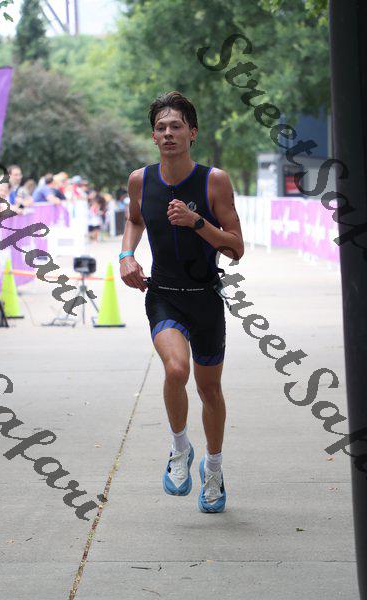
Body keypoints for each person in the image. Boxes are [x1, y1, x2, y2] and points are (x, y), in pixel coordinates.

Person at [119, 91, 244, 513]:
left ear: (193, 133)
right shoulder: (140, 180)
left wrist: (197, 222)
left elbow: (236, 248)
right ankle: (179, 448)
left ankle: (214, 468)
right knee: (176, 369)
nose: (168, 133)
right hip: (164, 296)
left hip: (205, 298)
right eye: (161, 127)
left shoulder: (214, 181)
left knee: (210, 389)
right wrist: (126, 255)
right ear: (153, 136)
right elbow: (134, 218)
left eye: (176, 126)